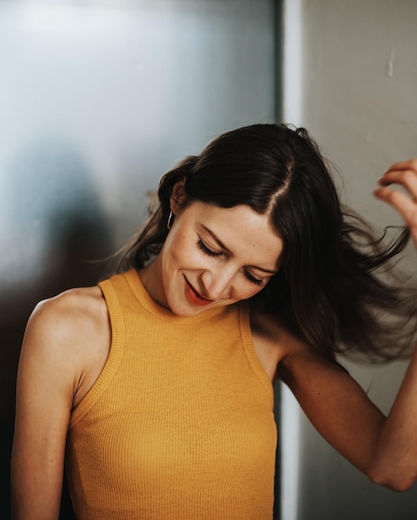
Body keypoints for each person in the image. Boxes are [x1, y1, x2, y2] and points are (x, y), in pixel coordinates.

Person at [10, 123, 417, 520]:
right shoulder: (66, 329)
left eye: (253, 276)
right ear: (179, 197)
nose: (216, 285)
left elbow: (393, 467)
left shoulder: (273, 335)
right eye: (209, 247)